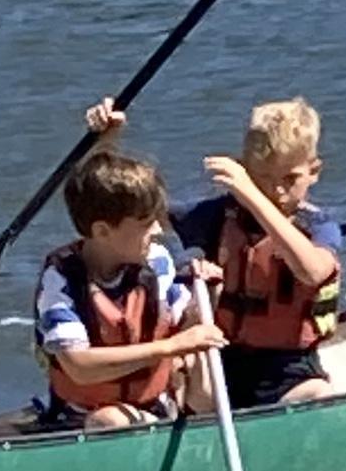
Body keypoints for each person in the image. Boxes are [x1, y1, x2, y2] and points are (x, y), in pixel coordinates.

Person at [169, 99, 345, 409]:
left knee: (321, 394)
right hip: (223, 361)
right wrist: (105, 141)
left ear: (314, 171)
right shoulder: (219, 215)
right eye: (263, 178)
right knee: (190, 370)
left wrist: (251, 194)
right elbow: (136, 212)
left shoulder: (319, 225)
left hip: (290, 369)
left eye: (290, 179)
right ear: (246, 171)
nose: (277, 191)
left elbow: (313, 272)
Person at [31, 150, 218, 430]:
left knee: (204, 384)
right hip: (80, 417)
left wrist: (209, 293)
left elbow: (186, 326)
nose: (158, 230)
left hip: (154, 404)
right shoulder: (61, 278)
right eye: (145, 223)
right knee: (110, 419)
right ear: (102, 232)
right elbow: (78, 367)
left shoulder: (156, 261)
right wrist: (170, 347)